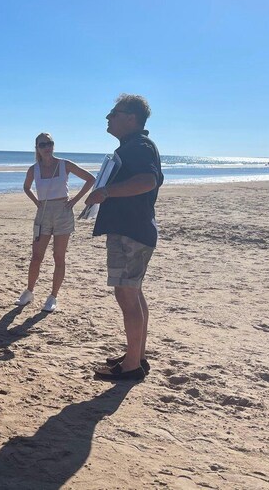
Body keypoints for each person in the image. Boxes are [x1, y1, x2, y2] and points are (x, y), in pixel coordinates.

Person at [85, 94, 163, 382]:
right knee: (133, 292)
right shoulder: (133, 146)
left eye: (114, 113)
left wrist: (106, 192)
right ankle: (136, 356)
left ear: (131, 118)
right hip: (133, 230)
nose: (108, 118)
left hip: (132, 232)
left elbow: (148, 180)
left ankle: (132, 365)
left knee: (126, 293)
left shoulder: (140, 146)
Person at [15, 133, 94, 312]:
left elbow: (91, 179)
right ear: (37, 147)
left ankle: (53, 297)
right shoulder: (33, 169)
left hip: (63, 212)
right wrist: (37, 202)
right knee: (36, 257)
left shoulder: (64, 164)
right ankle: (29, 291)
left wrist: (75, 200)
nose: (47, 147)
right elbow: (26, 187)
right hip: (43, 213)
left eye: (50, 143)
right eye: (43, 144)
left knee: (59, 256)